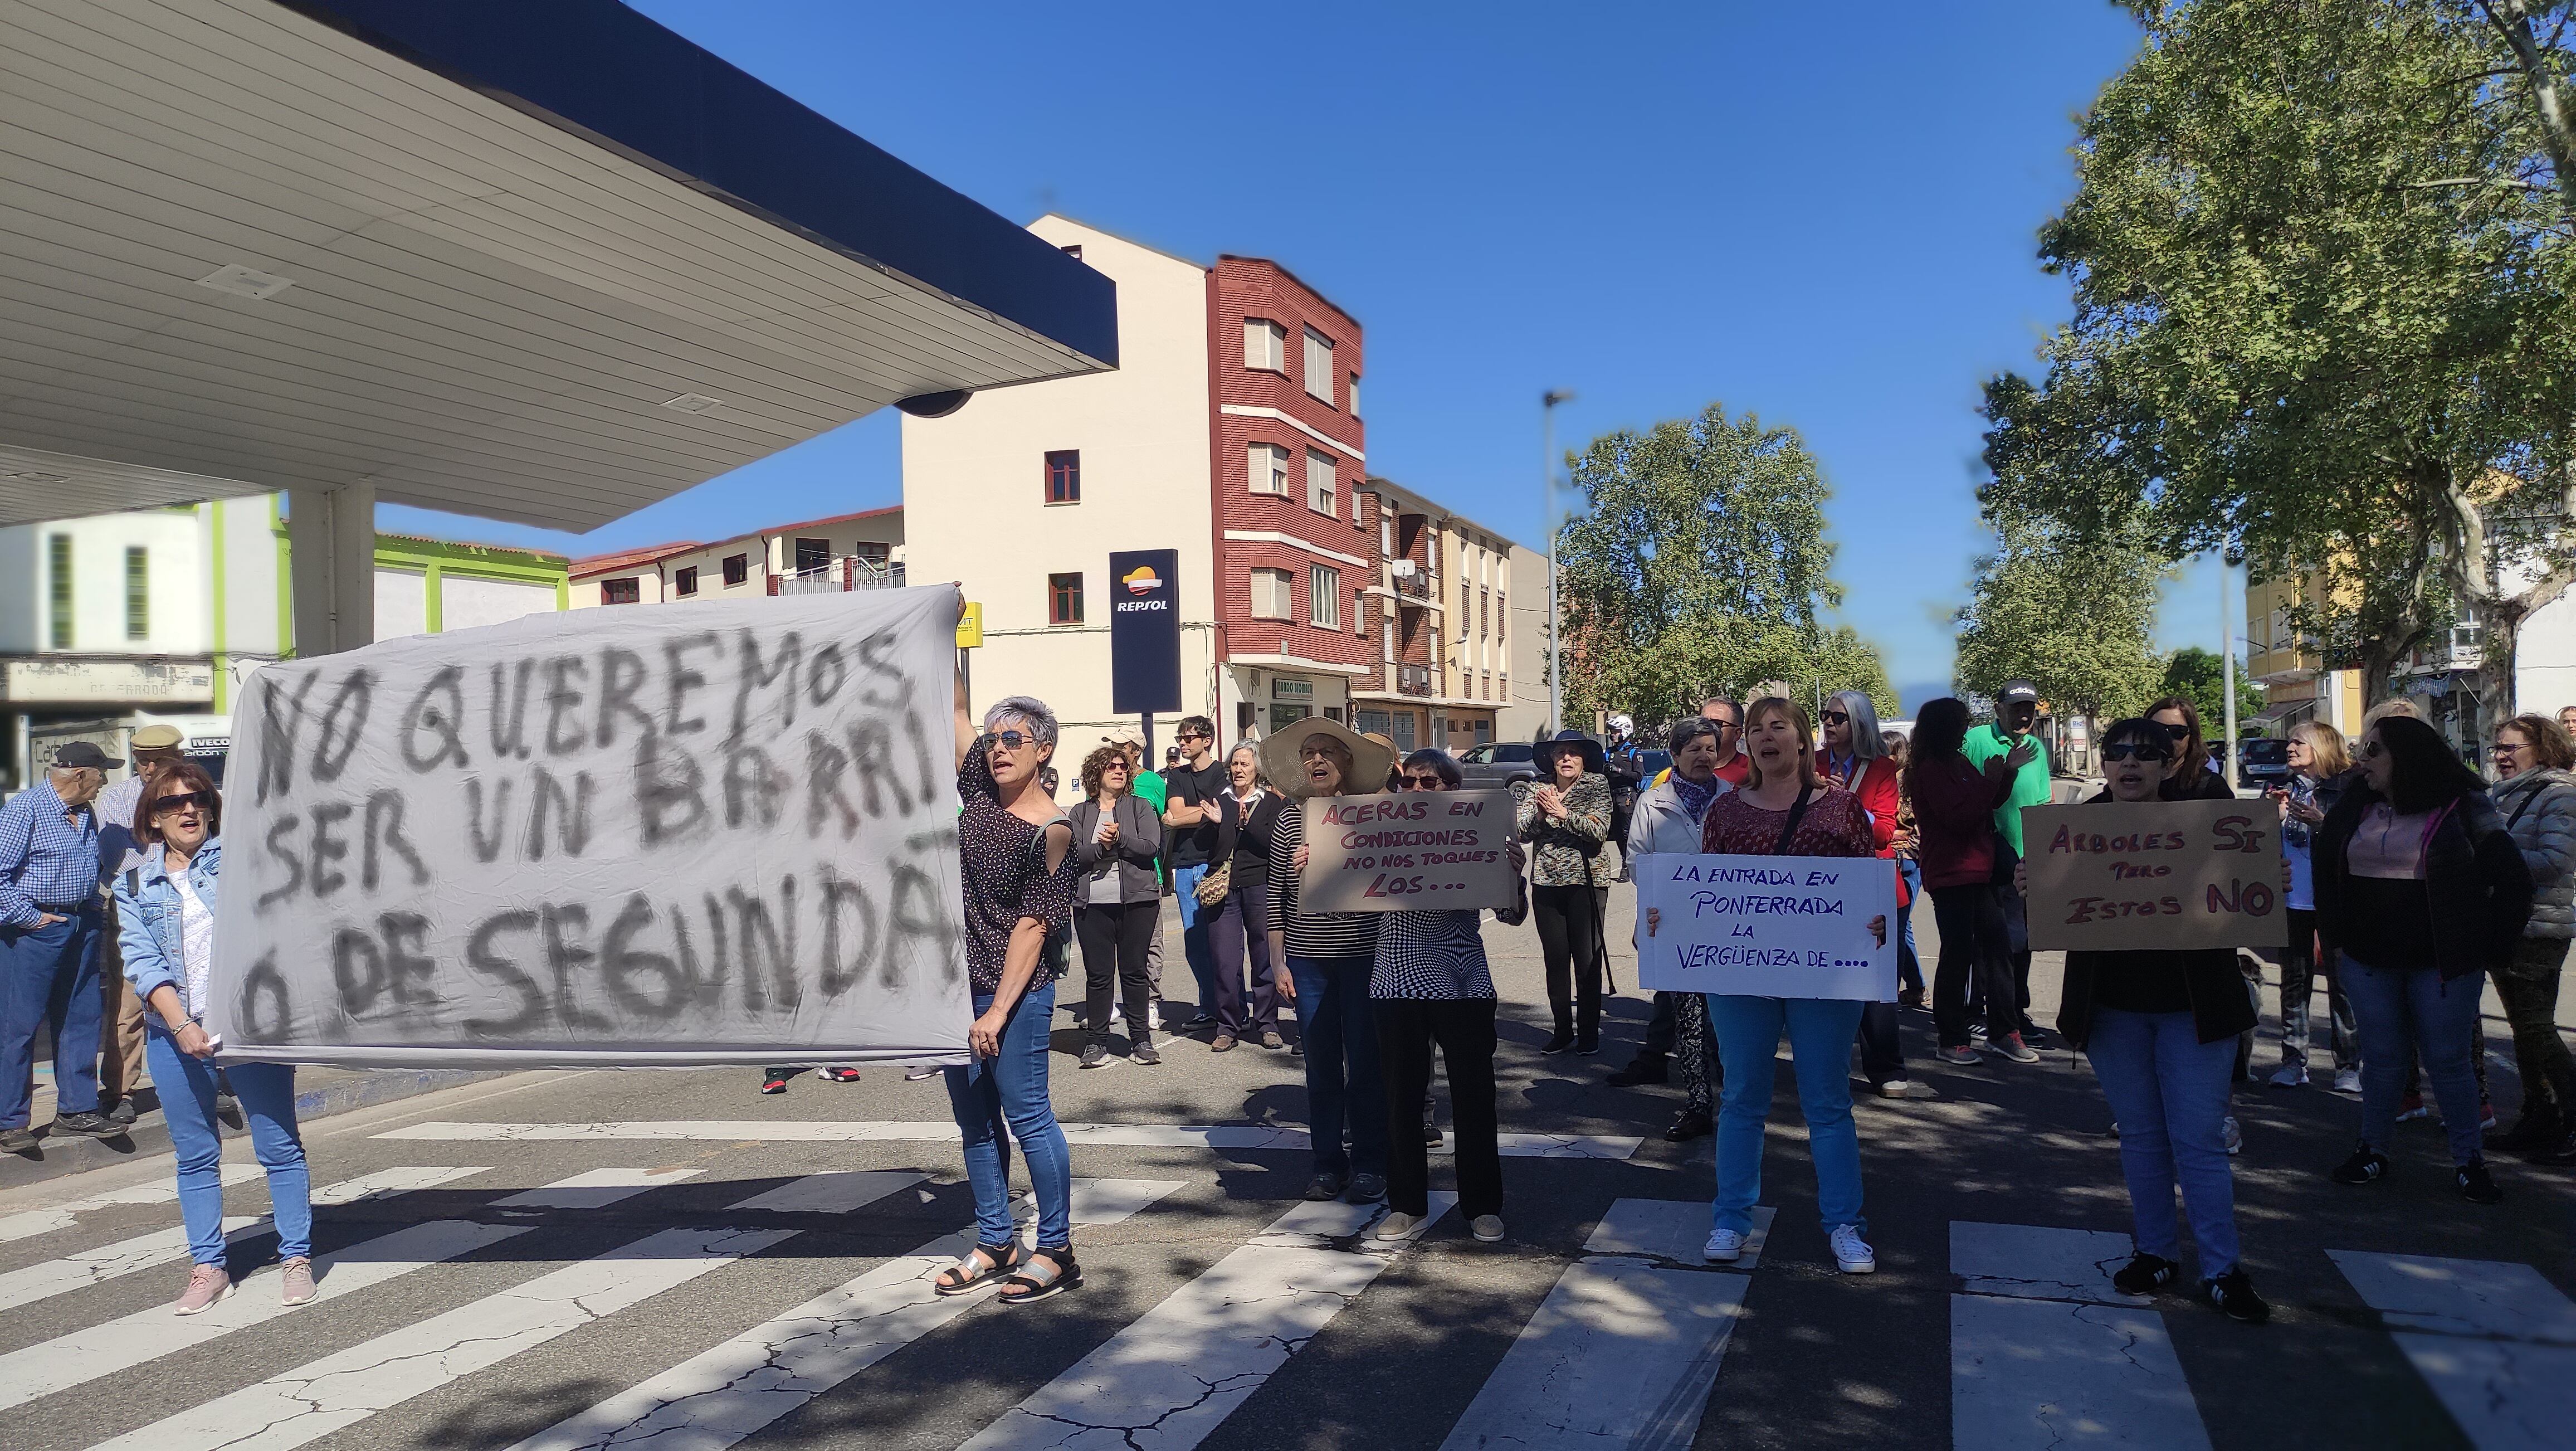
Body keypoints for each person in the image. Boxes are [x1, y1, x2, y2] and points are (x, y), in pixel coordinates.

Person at [2039, 718, 2269, 1323]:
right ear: (2104, 764)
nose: (2130, 763)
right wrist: (2032, 884)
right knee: (2140, 1136)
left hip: (2194, 1009)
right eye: (2118, 753)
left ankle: (2222, 1268)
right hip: (2112, 1011)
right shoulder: (2074, 831)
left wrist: (2265, 885)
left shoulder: (2205, 824)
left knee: (2198, 1141)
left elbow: (2245, 905)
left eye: (2146, 754)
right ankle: (2155, 1253)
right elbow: (2053, 907)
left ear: (2169, 764)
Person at [1653, 697, 1887, 1274]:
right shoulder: (1728, 812)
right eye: (1755, 729)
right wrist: (1668, 920)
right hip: (1741, 976)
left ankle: (1844, 1226)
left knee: (1827, 1105)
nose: (1763, 736)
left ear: (1803, 740)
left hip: (1824, 977)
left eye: (1776, 726)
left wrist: (1878, 920)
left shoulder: (1841, 808)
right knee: (1742, 1099)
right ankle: (1730, 1219)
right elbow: (1705, 891)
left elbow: (1865, 887)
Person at [112, 761, 318, 1313]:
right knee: (196, 1155)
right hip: (172, 1032)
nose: (187, 809)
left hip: (249, 1027)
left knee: (278, 1146)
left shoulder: (243, 865)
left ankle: (295, 1257)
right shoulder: (133, 884)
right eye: (171, 802)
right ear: (152, 819)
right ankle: (208, 1267)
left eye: (196, 798)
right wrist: (180, 1024)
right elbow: (142, 960)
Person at [2315, 714, 2532, 1204]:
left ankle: (2469, 1161)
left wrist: (2490, 948)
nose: (2360, 761)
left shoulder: (2464, 805)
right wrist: (2336, 941)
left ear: (2406, 758)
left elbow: (2514, 881)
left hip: (2443, 962)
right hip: (2369, 960)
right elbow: (2328, 873)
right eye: (2360, 749)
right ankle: (2372, 1149)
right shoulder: (2356, 803)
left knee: (2448, 1061)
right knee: (2384, 1059)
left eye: (2373, 752)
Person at [936, 691, 1081, 1303]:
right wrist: (947, 621)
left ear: (1044, 749)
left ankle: (1056, 1250)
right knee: (974, 1122)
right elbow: (956, 709)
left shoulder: (1052, 829)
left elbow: (1033, 925)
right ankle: (996, 1241)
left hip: (1013, 993)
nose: (997, 748)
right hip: (955, 986)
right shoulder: (977, 791)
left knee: (1028, 1117)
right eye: (994, 740)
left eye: (1013, 740)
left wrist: (997, 1009)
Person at [1372, 748, 1529, 1244]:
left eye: (1431, 782)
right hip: (1396, 976)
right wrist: (1317, 867)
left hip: (1462, 977)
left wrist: (1513, 874)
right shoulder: (1380, 832)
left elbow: (1513, 917)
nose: (1418, 790)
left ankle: (1482, 1206)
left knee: (1475, 1096)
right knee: (1400, 1099)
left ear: (1453, 790)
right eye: (1410, 782)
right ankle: (1406, 1205)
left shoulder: (1479, 832)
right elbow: (1341, 903)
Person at [1264, 717, 1398, 1204]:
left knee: (1365, 1062)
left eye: (1327, 752)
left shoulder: (1375, 814)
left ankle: (1369, 1164)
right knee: (1320, 1065)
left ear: (1348, 762)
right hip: (1308, 959)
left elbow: (1399, 884)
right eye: (1309, 753)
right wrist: (1278, 962)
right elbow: (1274, 895)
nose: (1316, 760)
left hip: (1366, 955)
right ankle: (1326, 1164)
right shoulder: (1290, 817)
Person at [1, 742, 124, 1152]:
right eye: (101, 773)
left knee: (81, 1017)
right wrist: (30, 918)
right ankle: (11, 1121)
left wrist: (91, 909)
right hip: (33, 928)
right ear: (80, 775)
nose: (104, 781)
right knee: (18, 1026)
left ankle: (76, 1110)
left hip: (80, 923)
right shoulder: (26, 810)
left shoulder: (84, 813)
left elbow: (89, 865)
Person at [1909, 698, 2039, 1066]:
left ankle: (2003, 1031)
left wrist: (2006, 774)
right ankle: (1952, 1038)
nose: (1966, 730)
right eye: (1961, 723)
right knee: (1958, 954)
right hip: (1950, 873)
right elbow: (1960, 816)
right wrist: (1994, 779)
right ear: (1944, 728)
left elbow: (1986, 803)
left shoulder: (1957, 761)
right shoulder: (1930, 769)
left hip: (1980, 870)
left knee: (1999, 949)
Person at [1623, 715, 1734, 1139]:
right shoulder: (1653, 802)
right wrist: (1662, 896)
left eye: (1710, 749)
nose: (1704, 757)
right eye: (1694, 750)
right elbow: (1637, 861)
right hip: (1673, 924)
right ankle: (1698, 1104)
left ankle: (1737, 1097)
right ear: (1675, 755)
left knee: (1725, 1016)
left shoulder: (1734, 798)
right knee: (1687, 1018)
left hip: (1727, 926)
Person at [2484, 714, 2576, 1162]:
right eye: (2497, 749)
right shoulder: (2506, 794)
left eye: (2510, 749)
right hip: (2507, 923)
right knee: (2524, 1030)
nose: (2500, 757)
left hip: (2539, 927)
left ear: (2542, 750)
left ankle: (2569, 1118)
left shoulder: (2559, 794)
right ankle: (2539, 1118)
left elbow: (2555, 861)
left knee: (2537, 1028)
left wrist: (2491, 853)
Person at [90, 723, 185, 1127]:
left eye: (158, 760)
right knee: (127, 1004)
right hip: (134, 903)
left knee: (193, 991)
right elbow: (113, 857)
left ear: (176, 757)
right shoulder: (117, 799)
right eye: (142, 760)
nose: (148, 767)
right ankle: (119, 1090)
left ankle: (207, 1077)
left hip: (185, 900)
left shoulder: (193, 792)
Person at [1823, 690, 1914, 1098]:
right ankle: (1827, 1063)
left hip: (1874, 886)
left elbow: (1882, 834)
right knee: (1828, 980)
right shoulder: (1812, 765)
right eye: (1825, 716)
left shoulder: (1880, 768)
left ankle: (1887, 1067)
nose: (1828, 724)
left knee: (1878, 986)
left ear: (1859, 723)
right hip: (1824, 887)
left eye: (1838, 718)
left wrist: (1846, 802)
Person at [1962, 680, 2052, 1044]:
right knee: (1985, 942)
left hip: (2026, 863)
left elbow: (2043, 803)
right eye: (2016, 708)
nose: (2024, 714)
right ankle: (1975, 1011)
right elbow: (1963, 797)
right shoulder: (1976, 741)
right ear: (1998, 709)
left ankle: (2015, 1011)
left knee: (2022, 940)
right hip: (1985, 861)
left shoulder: (2036, 747)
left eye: (2029, 707)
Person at [1519, 730, 1619, 1054]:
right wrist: (1540, 813)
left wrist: (1564, 815)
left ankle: (1589, 1033)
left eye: (1573, 753)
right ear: (1551, 758)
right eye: (1561, 752)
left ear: (1583, 759)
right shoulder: (1537, 788)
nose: (1566, 758)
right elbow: (1521, 832)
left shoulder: (1596, 785)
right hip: (1546, 882)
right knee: (1556, 960)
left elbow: (1598, 833)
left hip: (1587, 881)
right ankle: (1562, 1029)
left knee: (1587, 960)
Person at [2270, 721, 2358, 1094]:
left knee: (2343, 986)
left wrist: (2323, 824)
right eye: (2289, 741)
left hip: (2336, 900)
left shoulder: (2349, 788)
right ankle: (2293, 1062)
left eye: (2297, 741)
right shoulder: (2281, 788)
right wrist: (2270, 821)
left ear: (2321, 746)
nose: (2289, 747)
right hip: (2293, 900)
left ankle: (2349, 1066)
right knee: (2293, 981)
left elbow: (2360, 843)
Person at [1070, 743, 1165, 1068]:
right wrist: (1101, 847)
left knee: (1135, 971)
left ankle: (1141, 1040)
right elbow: (1074, 856)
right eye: (1112, 766)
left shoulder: (1140, 807)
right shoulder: (1080, 813)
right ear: (1096, 773)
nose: (1119, 771)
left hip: (1137, 902)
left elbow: (1151, 846)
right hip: (1092, 905)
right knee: (1098, 976)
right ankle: (1096, 1042)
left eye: (1123, 767)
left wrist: (1120, 840)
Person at [1159, 715, 1232, 1036]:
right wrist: (1191, 815)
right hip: (1186, 864)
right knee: (1194, 941)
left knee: (1221, 940)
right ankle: (1209, 1007)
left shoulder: (1223, 774)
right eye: (1181, 738)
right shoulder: (1176, 776)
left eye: (1189, 738)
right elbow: (1177, 812)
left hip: (1214, 863)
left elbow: (1217, 811)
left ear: (1207, 740)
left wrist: (1177, 820)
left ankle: (1231, 1008)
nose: (1183, 744)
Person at [1211, 743, 1286, 1051]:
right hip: (1224, 889)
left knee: (1264, 958)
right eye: (1234, 763)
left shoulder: (1271, 803)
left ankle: (1267, 1024)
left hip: (1260, 886)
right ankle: (1228, 1026)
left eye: (1245, 763)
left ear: (1258, 769)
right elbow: (1211, 850)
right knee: (1225, 960)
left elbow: (1273, 844)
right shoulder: (1220, 800)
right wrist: (1219, 824)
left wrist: (1247, 823)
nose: (1238, 769)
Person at [1103, 727, 1173, 1026]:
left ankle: (1150, 1002)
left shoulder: (1152, 782)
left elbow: (1165, 822)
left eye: (1121, 747)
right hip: (1107, 873)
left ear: (1135, 750)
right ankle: (1106, 1004)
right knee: (1109, 941)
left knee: (1148, 941)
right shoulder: (1108, 782)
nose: (1116, 753)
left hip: (1144, 874)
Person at [1883, 728, 1928, 1009]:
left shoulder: (1907, 782)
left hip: (1905, 861)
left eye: (1887, 752)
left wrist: (1906, 851)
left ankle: (1894, 989)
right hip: (1899, 858)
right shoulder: (1892, 778)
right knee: (1904, 926)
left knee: (1897, 927)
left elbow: (1917, 824)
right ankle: (1916, 987)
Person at [1604, 713, 1647, 880]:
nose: (1612, 735)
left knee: (1626, 832)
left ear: (1625, 731)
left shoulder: (1634, 752)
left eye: (1615, 731)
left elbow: (1639, 776)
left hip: (1627, 796)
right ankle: (1625, 859)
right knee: (1614, 832)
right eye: (1611, 731)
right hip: (1611, 796)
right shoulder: (1609, 752)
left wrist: (1620, 771)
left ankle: (1627, 866)